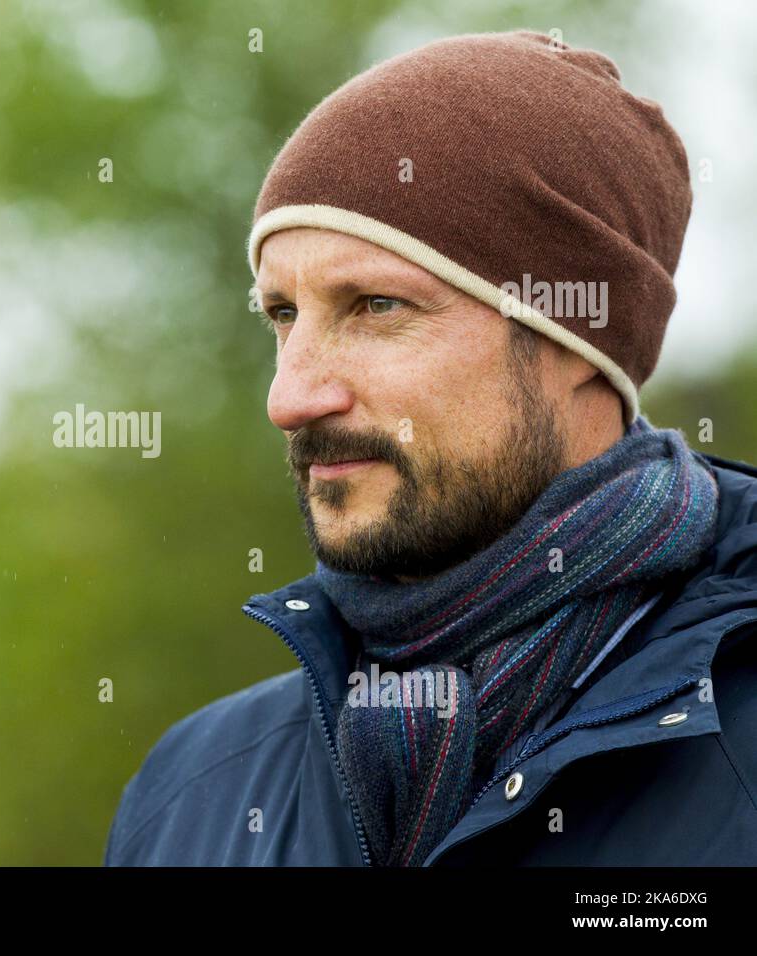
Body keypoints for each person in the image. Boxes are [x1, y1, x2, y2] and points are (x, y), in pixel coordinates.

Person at [104, 29, 757, 866]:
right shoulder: (191, 792)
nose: (291, 397)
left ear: (573, 341)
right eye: (283, 315)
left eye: (376, 306)